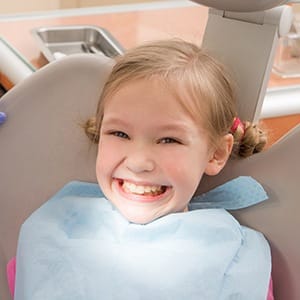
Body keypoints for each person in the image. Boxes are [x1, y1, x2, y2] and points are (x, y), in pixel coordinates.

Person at [13, 39, 272, 300]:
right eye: (120, 133)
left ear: (216, 153)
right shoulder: (51, 229)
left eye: (169, 140)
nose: (138, 163)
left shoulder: (234, 258)